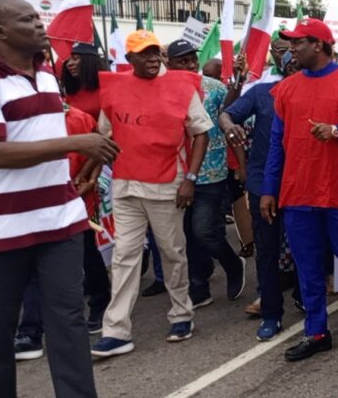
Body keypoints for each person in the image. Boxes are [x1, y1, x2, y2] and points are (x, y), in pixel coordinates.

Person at [0, 0, 118, 398]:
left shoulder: (44, 74)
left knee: (69, 321)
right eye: (29, 21)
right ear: (0, 32)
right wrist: (75, 142)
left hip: (60, 222)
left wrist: (86, 151)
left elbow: (38, 139)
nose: (41, 26)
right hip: (2, 227)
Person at [261, 18, 338, 362]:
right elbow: (276, 143)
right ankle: (317, 332)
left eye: (299, 42)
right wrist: (270, 188)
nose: (292, 48)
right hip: (297, 189)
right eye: (291, 42)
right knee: (307, 264)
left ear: (320, 44)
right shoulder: (286, 88)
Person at [92, 30, 211, 357]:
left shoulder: (182, 86)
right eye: (143, 53)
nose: (152, 58)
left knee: (172, 251)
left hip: (167, 184)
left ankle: (181, 313)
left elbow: (201, 134)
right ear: (129, 59)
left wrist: (190, 178)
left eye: (155, 52)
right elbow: (105, 135)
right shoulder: (114, 89)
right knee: (124, 256)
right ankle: (116, 330)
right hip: (125, 185)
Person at [14, 100, 112, 361]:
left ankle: (100, 304)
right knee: (31, 269)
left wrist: (90, 180)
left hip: (77, 199)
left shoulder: (79, 118)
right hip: (35, 203)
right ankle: (30, 331)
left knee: (87, 255)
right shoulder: (17, 120)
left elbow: (100, 149)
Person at [221, 51, 300, 341]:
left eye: (299, 62)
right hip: (262, 184)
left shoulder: (316, 93)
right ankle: (271, 313)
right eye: (289, 62)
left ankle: (305, 295)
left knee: (305, 248)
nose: (294, 66)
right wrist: (229, 125)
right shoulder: (262, 93)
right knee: (266, 251)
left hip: (302, 186)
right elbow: (228, 113)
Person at [166, 39, 246, 307]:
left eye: (192, 59)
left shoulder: (213, 87)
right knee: (186, 233)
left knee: (204, 231)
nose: (189, 65)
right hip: (175, 173)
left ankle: (233, 264)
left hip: (211, 172)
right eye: (182, 61)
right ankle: (199, 286)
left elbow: (230, 114)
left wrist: (236, 84)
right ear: (170, 64)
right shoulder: (161, 91)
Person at [62, 42, 106, 120]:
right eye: (67, 60)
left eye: (75, 58)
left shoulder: (107, 89)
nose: (69, 64)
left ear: (90, 61)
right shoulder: (71, 93)